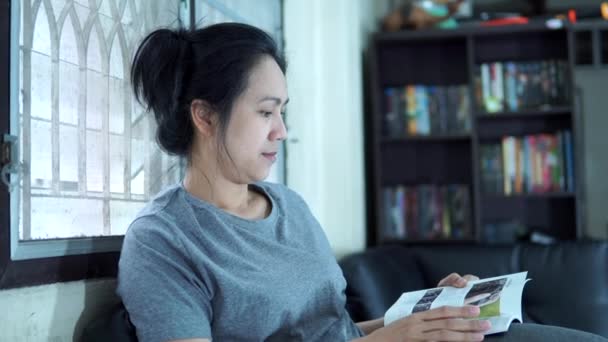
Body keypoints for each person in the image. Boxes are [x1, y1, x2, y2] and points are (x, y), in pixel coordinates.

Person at [117, 23, 607, 342]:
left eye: (282, 112)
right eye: (266, 112)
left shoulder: (289, 207)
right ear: (204, 115)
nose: (281, 131)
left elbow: (338, 331)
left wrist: (426, 317)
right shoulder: (164, 241)